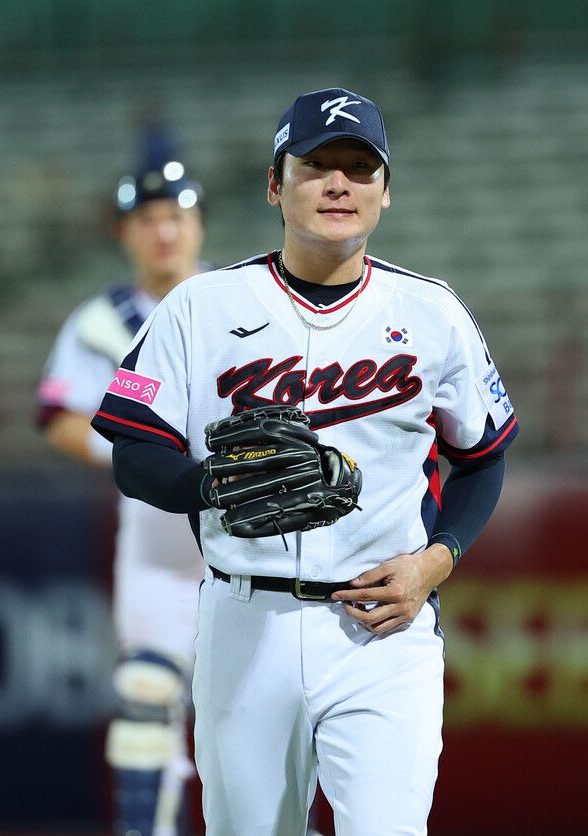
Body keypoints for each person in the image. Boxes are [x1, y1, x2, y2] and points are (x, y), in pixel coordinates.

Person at [91, 88, 519, 836]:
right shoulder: (199, 306)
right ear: (273, 184)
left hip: (385, 630)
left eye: (359, 167)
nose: (338, 183)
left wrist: (438, 561)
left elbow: (482, 459)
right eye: (316, 164)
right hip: (244, 618)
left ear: (386, 191)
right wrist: (208, 484)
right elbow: (133, 451)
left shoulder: (434, 312)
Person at [38, 161, 209, 836]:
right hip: (158, 537)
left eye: (177, 217)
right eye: (148, 220)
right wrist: (139, 452)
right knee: (146, 697)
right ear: (125, 232)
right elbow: (58, 416)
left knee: (276, 709)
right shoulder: (103, 322)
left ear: (198, 225)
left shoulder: (240, 298)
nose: (165, 232)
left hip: (249, 530)